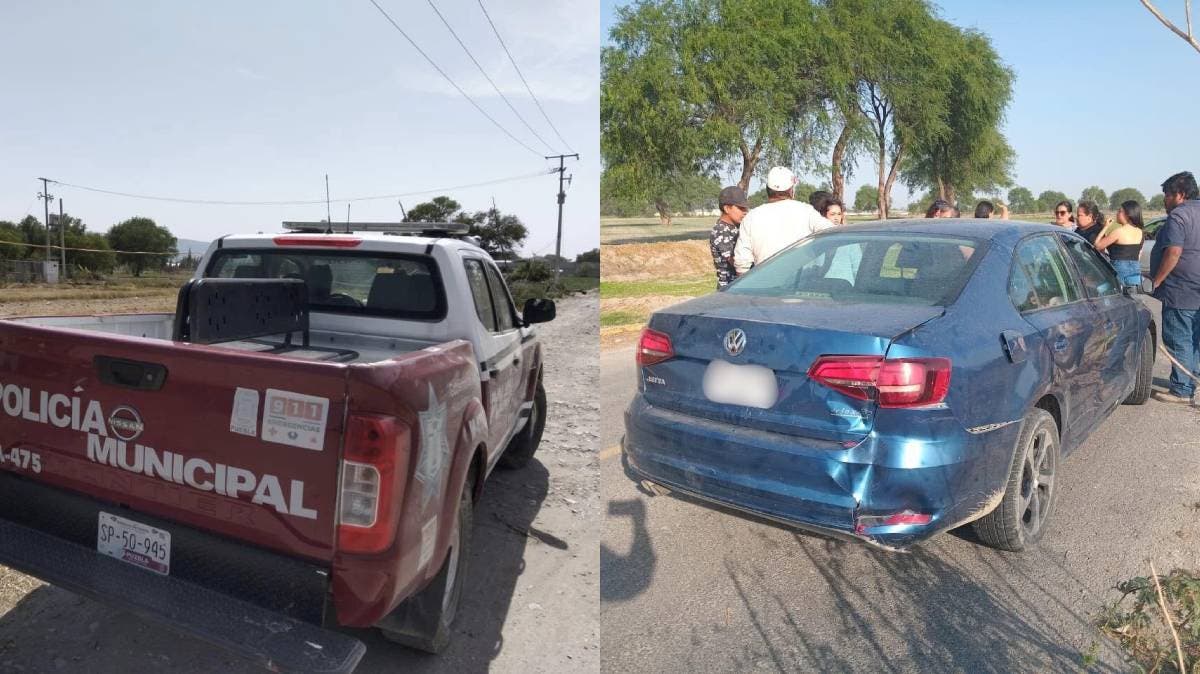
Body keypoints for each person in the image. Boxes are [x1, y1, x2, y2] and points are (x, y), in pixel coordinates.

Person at [1150, 171, 1200, 404]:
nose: (1165, 200)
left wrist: (1157, 280)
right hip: (1196, 289)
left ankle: (1181, 389)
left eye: (1167, 195)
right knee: (1194, 339)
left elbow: (1174, 252)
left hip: (1181, 289)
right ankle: (1192, 381)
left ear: (1179, 194)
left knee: (1178, 338)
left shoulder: (1179, 216)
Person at [733, 167, 832, 274]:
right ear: (791, 190)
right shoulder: (806, 211)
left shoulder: (751, 217)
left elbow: (741, 263)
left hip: (764, 281)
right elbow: (832, 234)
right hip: (800, 281)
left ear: (767, 189)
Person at [1094, 200, 1145, 285]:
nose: (1117, 213)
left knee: (1103, 289)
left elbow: (1097, 246)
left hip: (1119, 270)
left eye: (1120, 211)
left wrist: (1105, 227)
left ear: (1128, 214)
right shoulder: (1140, 232)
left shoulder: (1119, 232)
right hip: (1136, 270)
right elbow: (1139, 254)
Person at [709, 185, 750, 289]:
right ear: (727, 208)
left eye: (745, 208)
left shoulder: (738, 226)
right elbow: (735, 261)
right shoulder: (720, 230)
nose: (745, 212)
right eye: (741, 208)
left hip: (740, 285)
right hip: (729, 287)